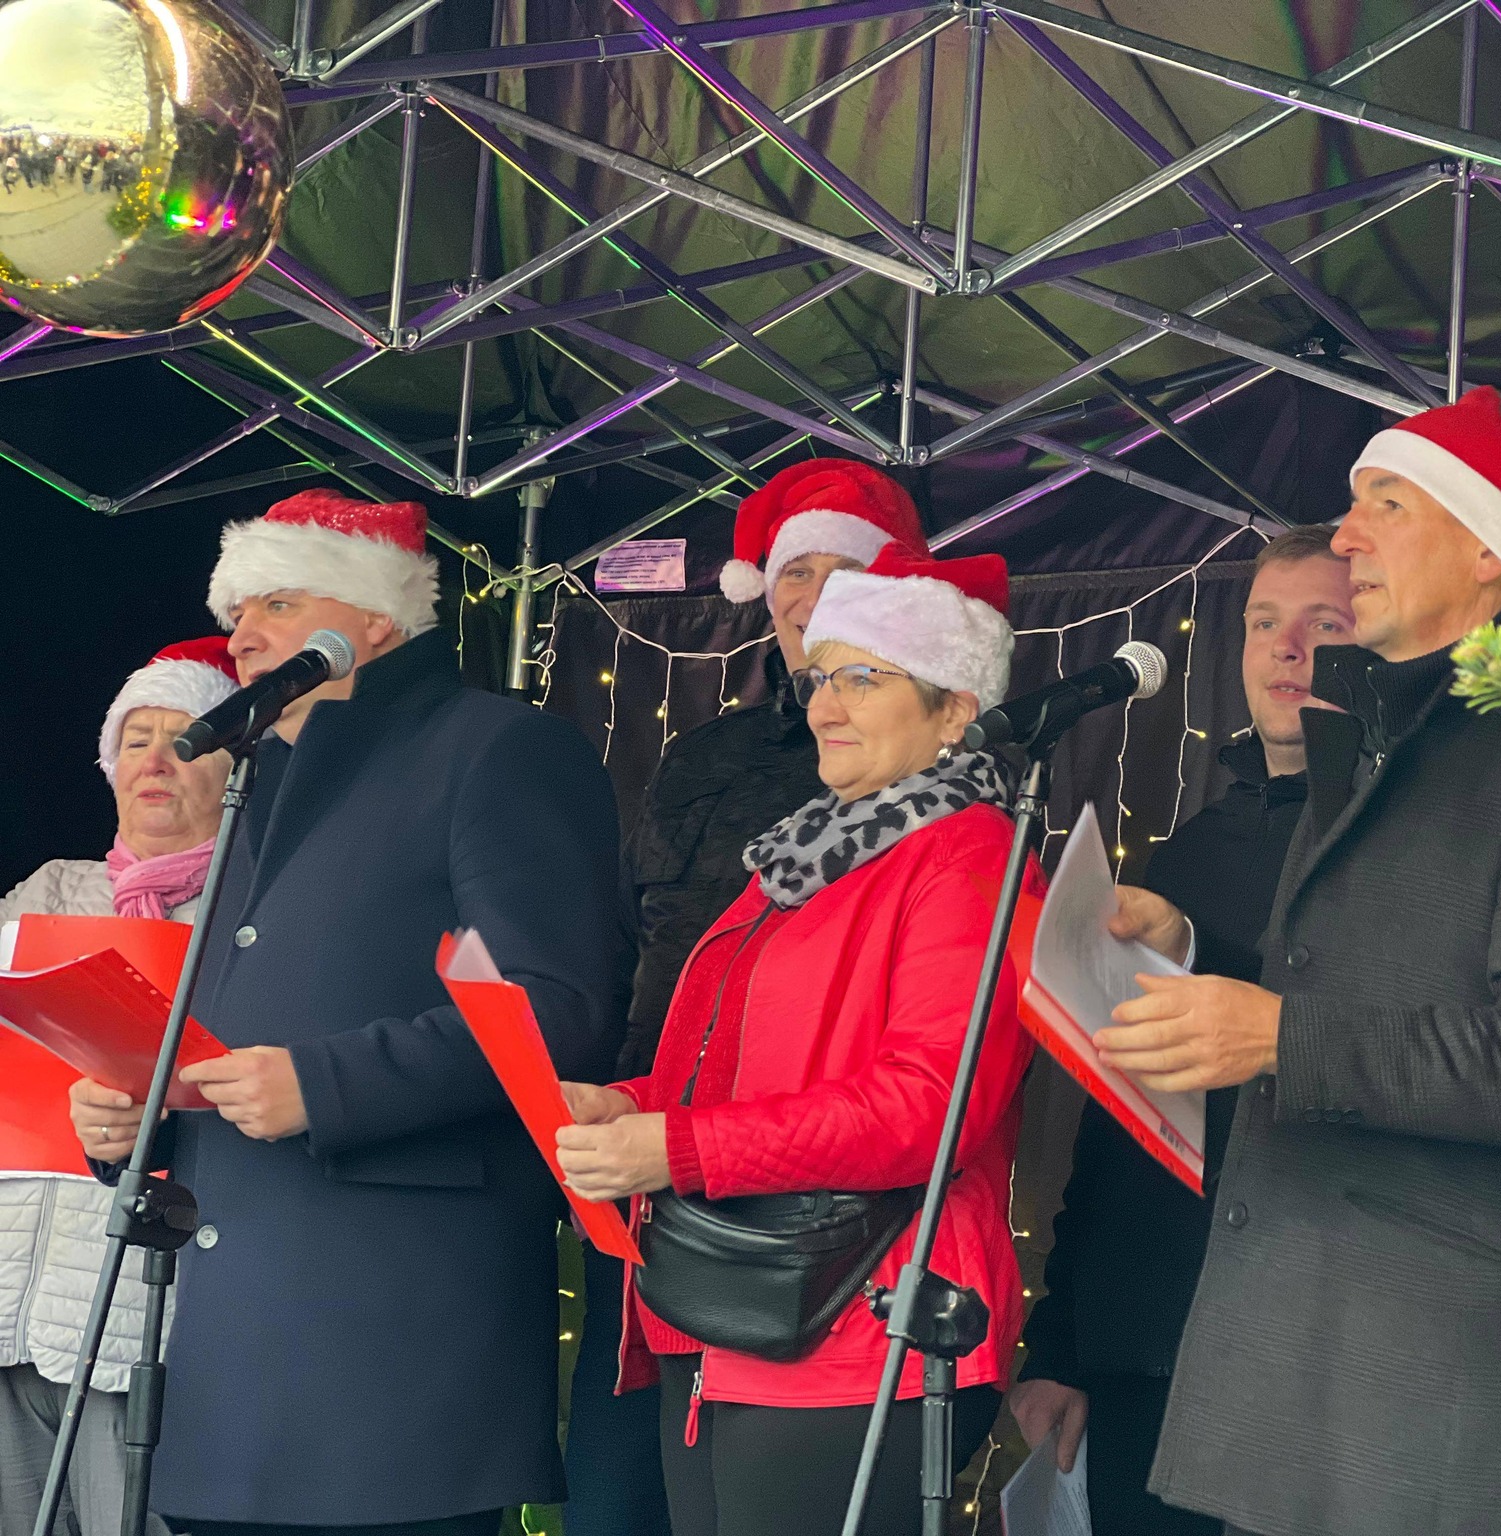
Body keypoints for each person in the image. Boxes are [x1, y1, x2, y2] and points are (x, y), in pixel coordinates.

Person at [1094, 387, 1501, 1536]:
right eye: (1352, 503)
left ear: (1482, 551)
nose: (1348, 533)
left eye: (1387, 504)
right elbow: (1367, 987)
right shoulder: (1371, 739)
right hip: (1294, 1373)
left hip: (1430, 1396)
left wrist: (1273, 1035)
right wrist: (1199, 956)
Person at [66, 489, 630, 1536]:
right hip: (235, 1366)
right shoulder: (256, 783)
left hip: (396, 1359)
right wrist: (138, 1126)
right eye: (235, 610)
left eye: (275, 601)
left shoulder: (493, 749)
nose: (242, 634)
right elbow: (240, 1019)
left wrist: (324, 1085)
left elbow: (558, 1010)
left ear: (375, 619)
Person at [555, 544, 1038, 1536]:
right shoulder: (809, 853)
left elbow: (927, 1107)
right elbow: (732, 1069)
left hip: (864, 1324)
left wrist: (676, 1148)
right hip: (736, 1307)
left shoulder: (969, 856)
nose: (825, 705)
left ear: (954, 709)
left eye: (866, 677)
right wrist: (633, 1107)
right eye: (822, 677)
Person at [1007, 526, 1356, 1535]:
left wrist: (1204, 956)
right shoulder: (1189, 849)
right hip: (1142, 1353)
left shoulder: (1401, 851)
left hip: (1306, 1362)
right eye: (1261, 623)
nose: (1283, 648)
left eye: (1321, 623)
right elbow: (1120, 1120)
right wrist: (1063, 1345)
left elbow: (1377, 1046)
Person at [1, 638, 239, 1536]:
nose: (155, 759)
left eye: (185, 739)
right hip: (10, 1275)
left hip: (140, 1296)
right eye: (136, 738)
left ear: (231, 771)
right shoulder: (51, 888)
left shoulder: (251, 905)